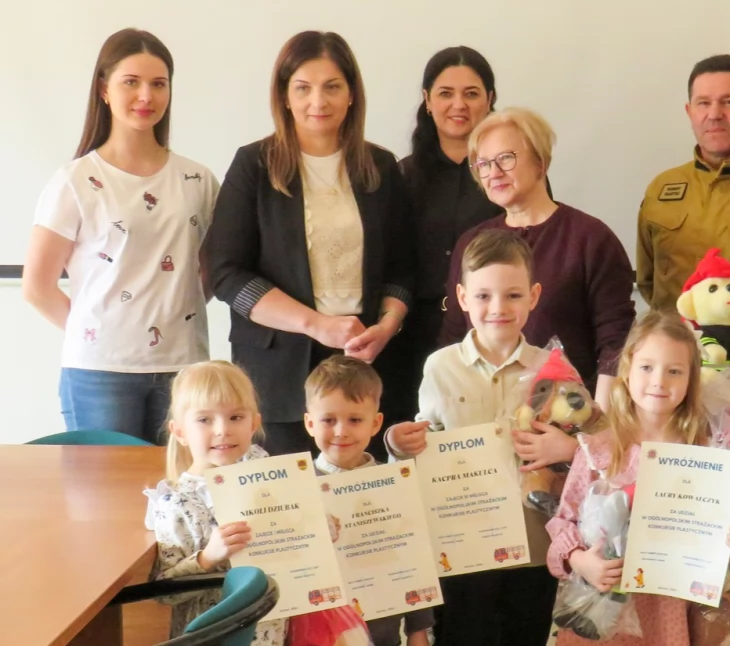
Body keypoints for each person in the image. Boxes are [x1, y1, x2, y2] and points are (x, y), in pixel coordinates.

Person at [205, 31, 415, 457]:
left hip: (365, 362)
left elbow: (402, 266)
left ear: (352, 94)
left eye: (332, 87)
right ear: (284, 95)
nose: (318, 102)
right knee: (288, 510)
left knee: (364, 504)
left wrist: (387, 325)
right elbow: (224, 273)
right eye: (303, 88)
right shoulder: (255, 165)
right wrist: (315, 323)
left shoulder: (380, 167)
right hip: (277, 371)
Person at [23, 29, 219, 441]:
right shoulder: (75, 181)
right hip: (100, 374)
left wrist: (171, 314)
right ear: (104, 90)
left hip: (185, 368)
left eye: (158, 84)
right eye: (131, 82)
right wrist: (101, 335)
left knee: (181, 496)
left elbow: (211, 271)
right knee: (105, 502)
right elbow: (37, 287)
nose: (146, 96)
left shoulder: (197, 179)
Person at [387, 229, 561, 646]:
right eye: (483, 296)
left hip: (534, 542)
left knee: (527, 633)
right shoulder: (439, 367)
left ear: (534, 296)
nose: (498, 308)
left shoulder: (553, 368)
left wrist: (567, 448)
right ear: (462, 298)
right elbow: (423, 449)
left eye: (513, 296)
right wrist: (398, 445)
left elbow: (590, 443)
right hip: (462, 548)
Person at [546, 311, 730, 645]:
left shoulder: (705, 455)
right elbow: (562, 524)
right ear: (627, 369)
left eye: (674, 371)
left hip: (666, 610)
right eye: (647, 367)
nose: (659, 381)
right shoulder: (598, 448)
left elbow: (709, 544)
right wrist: (581, 561)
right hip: (600, 607)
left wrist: (729, 539)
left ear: (690, 379)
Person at [439, 107, 634, 407]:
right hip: (483, 420)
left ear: (540, 163)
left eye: (506, 158)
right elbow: (454, 337)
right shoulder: (471, 243)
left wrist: (599, 428)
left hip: (567, 418)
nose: (494, 172)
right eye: (484, 164)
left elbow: (616, 343)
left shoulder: (591, 238)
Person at [374, 46, 501, 450]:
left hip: (487, 331)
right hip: (410, 335)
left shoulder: (507, 173)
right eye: (445, 93)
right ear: (427, 101)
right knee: (415, 446)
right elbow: (390, 261)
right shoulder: (402, 175)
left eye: (472, 93)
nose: (458, 105)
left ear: (490, 100)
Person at [636, 54, 730, 313]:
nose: (714, 114)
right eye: (703, 103)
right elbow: (648, 282)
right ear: (690, 112)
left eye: (728, 102)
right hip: (674, 346)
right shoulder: (661, 189)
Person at [143, 360, 286, 644]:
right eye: (205, 419)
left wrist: (319, 526)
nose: (222, 430)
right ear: (180, 431)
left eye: (235, 417)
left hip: (273, 629)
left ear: (253, 423)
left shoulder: (267, 472)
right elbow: (165, 593)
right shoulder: (175, 503)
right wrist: (208, 557)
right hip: (216, 636)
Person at [303, 355, 431, 646]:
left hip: (383, 635)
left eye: (355, 420)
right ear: (310, 423)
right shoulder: (296, 491)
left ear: (375, 423)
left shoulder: (395, 486)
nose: (341, 431)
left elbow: (413, 556)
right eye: (328, 420)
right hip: (317, 637)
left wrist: (418, 628)